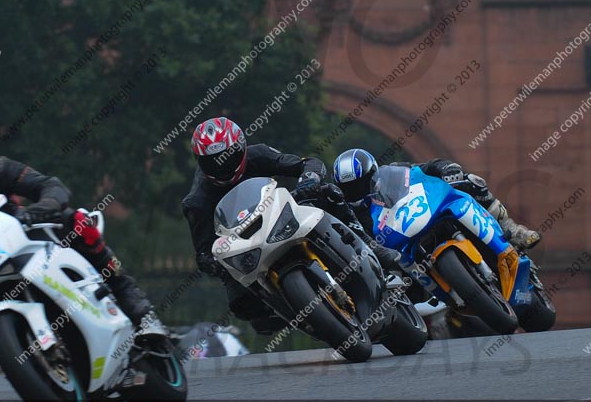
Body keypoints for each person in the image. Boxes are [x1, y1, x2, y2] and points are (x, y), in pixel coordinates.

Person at [182, 117, 400, 334]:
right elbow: (203, 251)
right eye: (213, 162)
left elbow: (307, 163)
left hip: (283, 212)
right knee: (243, 306)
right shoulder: (196, 202)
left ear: (241, 148)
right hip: (246, 244)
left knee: (328, 193)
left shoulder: (258, 154)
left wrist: (309, 179)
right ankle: (291, 311)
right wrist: (213, 263)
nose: (222, 166)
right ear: (199, 161)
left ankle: (372, 247)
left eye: (227, 158)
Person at [0, 125, 165, 341]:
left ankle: (137, 307)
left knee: (77, 221)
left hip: (19, 238)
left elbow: (50, 185)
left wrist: (39, 210)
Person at [332, 149, 541, 250]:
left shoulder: (393, 172)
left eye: (360, 183)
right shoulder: (353, 216)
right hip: (402, 246)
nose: (357, 191)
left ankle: (513, 230)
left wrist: (445, 169)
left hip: (424, 210)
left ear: (373, 173)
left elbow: (424, 168)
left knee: (472, 182)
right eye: (350, 188)